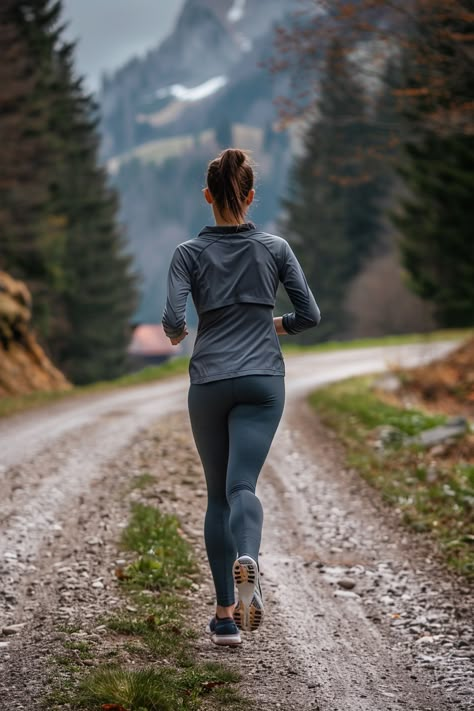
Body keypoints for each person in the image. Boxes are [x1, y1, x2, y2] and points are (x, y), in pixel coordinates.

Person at [162, 148, 320, 647]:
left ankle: (225, 616)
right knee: (241, 487)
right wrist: (277, 324)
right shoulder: (275, 248)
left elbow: (172, 319)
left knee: (215, 497)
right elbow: (309, 314)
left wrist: (176, 331)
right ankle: (249, 555)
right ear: (251, 196)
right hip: (261, 379)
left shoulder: (188, 253)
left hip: (209, 380)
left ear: (207, 196)